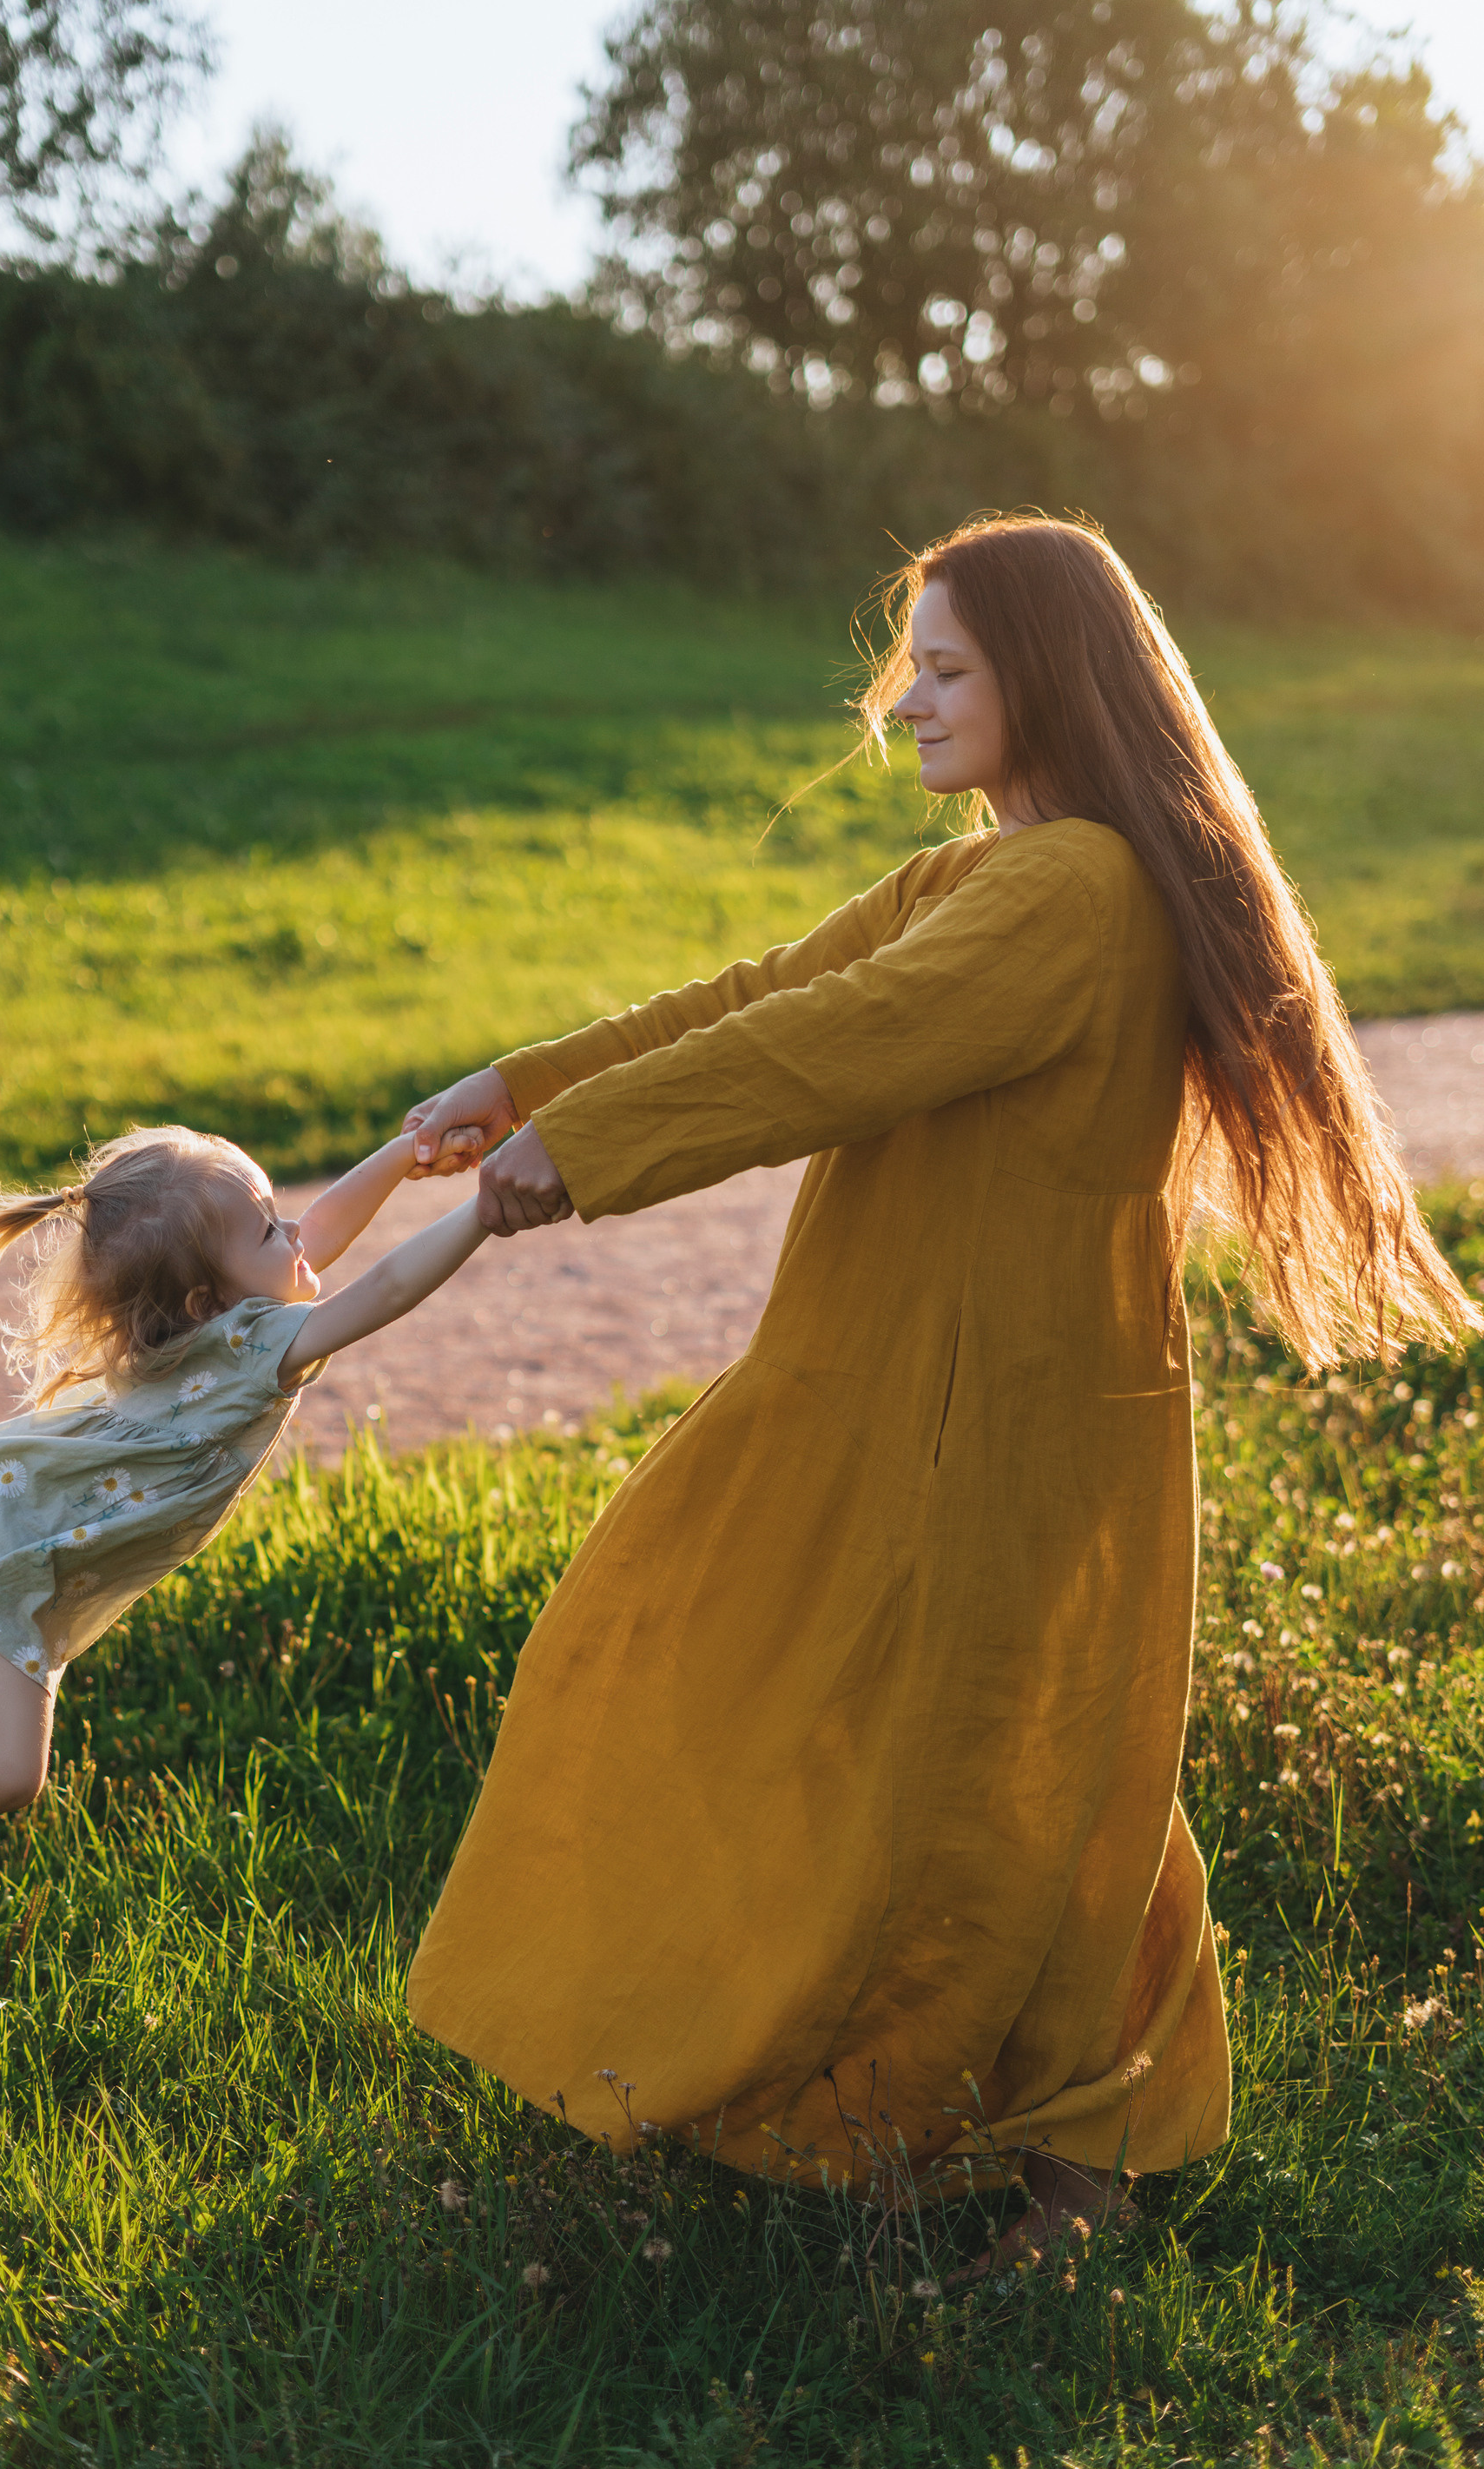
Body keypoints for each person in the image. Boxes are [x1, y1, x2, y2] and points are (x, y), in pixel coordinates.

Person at [400, 512, 1477, 2266]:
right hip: (910, 1381)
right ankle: (881, 2103)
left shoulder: (1071, 893)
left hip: (994, 1410)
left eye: (948, 667)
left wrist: (580, 1148)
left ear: (1046, 676)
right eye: (909, 664)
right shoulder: (995, 874)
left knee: (1006, 1762)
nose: (902, 698)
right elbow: (768, 994)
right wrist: (523, 1091)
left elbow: (819, 1054)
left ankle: (1021, 2161)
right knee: (971, 1737)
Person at [0, 1122, 486, 1882]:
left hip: (0, 1544)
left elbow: (313, 1232)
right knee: (5, 1772)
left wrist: (407, 1156)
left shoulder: (202, 1322)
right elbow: (387, 1289)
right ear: (208, 1295)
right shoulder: (254, 1343)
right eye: (270, 1228)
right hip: (4, 1562)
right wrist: (482, 1212)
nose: (297, 1231)